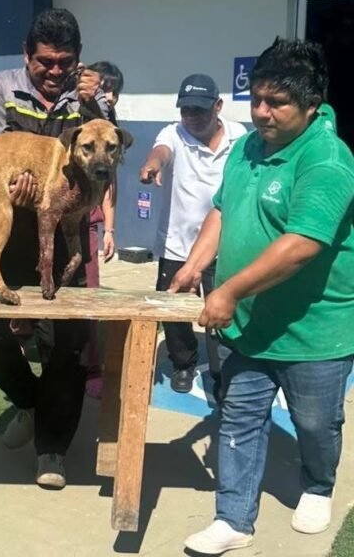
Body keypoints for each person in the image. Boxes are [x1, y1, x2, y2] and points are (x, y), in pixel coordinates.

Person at [172, 40, 354, 555]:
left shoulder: (328, 159)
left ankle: (318, 485)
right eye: (256, 99)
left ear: (312, 105)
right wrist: (194, 265)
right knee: (240, 416)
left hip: (314, 330)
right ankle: (233, 518)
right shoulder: (250, 147)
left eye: (276, 103)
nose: (261, 112)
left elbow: (303, 244)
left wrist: (227, 290)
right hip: (249, 323)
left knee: (316, 423)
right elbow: (223, 210)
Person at [0, 7, 110, 490]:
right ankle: (29, 401)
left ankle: (51, 450)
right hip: (8, 232)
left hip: (66, 231)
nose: (53, 71)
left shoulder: (89, 97)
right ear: (27, 55)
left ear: (77, 59)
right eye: (44, 61)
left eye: (64, 62)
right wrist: (7, 195)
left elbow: (107, 153)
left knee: (66, 347)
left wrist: (95, 105)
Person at [139, 74, 246, 395]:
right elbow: (161, 151)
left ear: (218, 106)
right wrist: (153, 165)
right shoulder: (173, 133)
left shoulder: (239, 137)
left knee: (220, 312)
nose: (191, 117)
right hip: (177, 245)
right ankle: (183, 364)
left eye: (199, 110)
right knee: (174, 315)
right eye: (185, 109)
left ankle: (221, 374)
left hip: (222, 244)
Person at [83, 61, 124, 399]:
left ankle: (92, 367)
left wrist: (109, 229)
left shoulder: (112, 137)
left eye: (111, 91)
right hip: (53, 218)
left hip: (90, 223)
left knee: (90, 294)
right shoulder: (77, 122)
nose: (106, 96)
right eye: (101, 88)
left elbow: (110, 185)